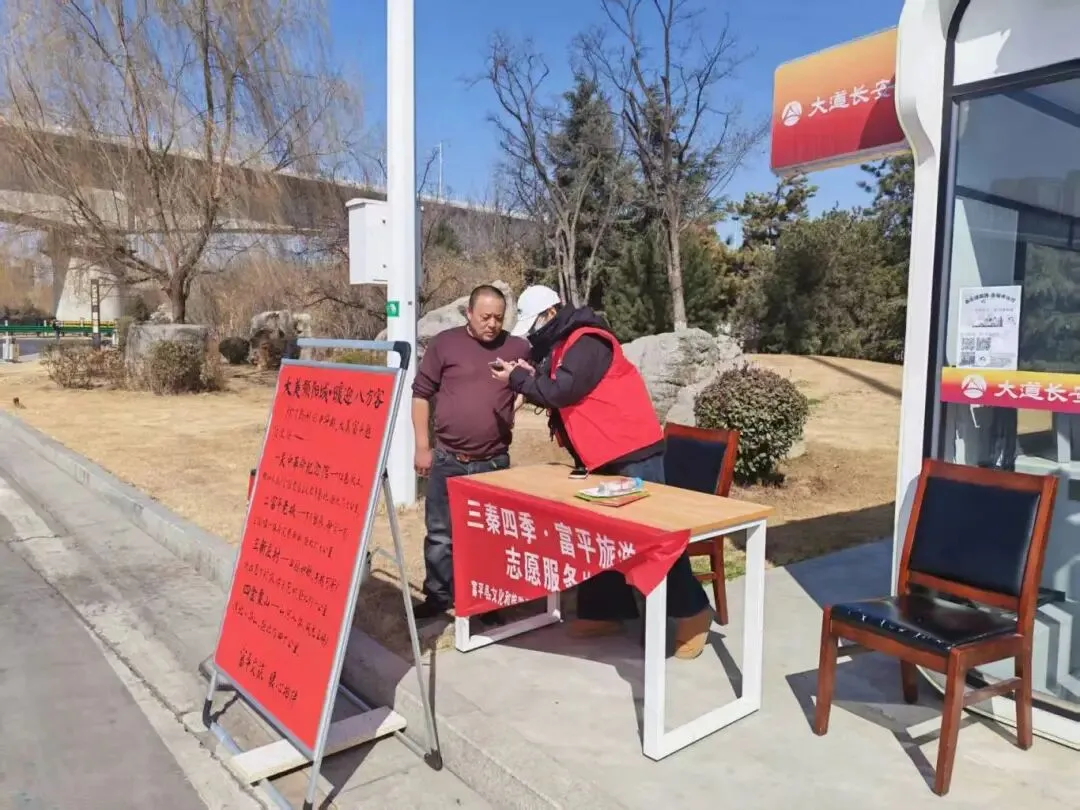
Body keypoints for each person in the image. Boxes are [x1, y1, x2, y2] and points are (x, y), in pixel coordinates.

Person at [491, 285, 713, 660]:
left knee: (655, 540)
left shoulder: (587, 340)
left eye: (534, 326)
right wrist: (529, 374)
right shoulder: (564, 344)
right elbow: (554, 384)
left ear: (550, 314)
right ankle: (605, 610)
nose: (533, 336)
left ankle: (692, 613)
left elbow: (561, 391)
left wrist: (518, 380)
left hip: (632, 452)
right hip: (603, 455)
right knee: (600, 536)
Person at [411, 284, 530, 620]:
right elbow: (421, 395)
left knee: (490, 537)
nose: (492, 324)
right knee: (440, 534)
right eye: (485, 317)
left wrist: (516, 403)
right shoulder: (445, 344)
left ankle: (486, 600)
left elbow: (532, 384)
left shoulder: (518, 347)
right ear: (469, 313)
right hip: (448, 458)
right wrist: (422, 447)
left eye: (498, 318)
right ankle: (438, 596)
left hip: (493, 462)